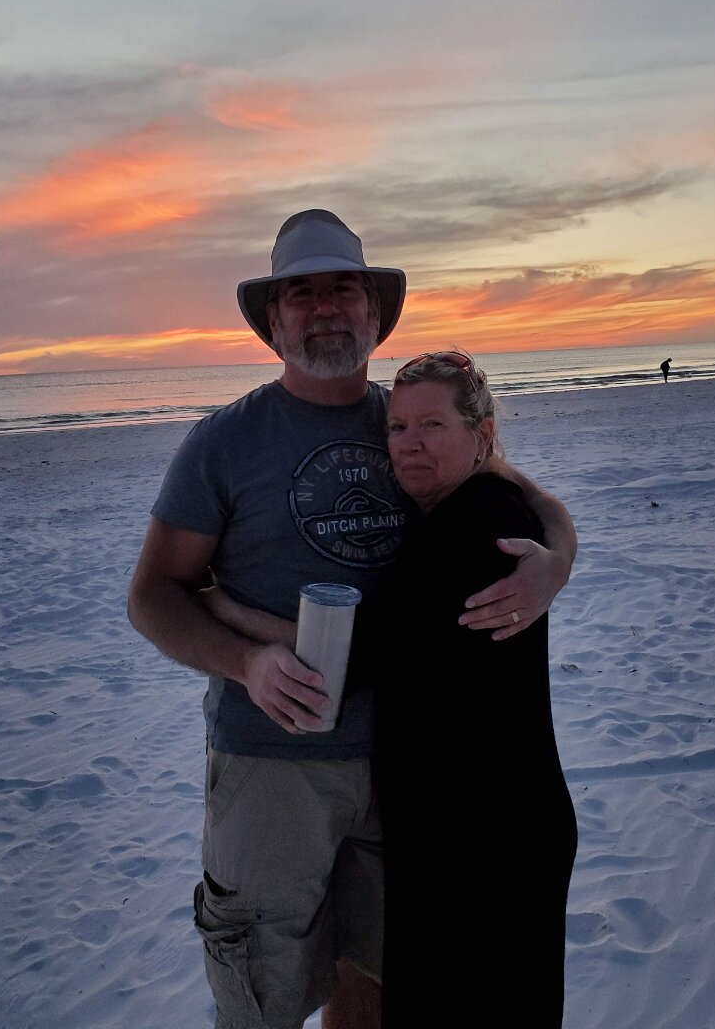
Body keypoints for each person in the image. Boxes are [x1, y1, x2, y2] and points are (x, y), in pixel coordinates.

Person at [126, 209, 578, 1029]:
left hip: (409, 767)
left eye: (345, 289)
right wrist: (245, 661)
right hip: (272, 763)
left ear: (376, 313)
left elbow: (510, 480)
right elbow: (154, 594)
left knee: (375, 981)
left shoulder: (403, 414)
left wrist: (559, 555)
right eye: (302, 293)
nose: (326, 308)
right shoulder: (223, 442)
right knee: (259, 997)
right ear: (273, 321)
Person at [206, 349, 578, 1026]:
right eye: (398, 427)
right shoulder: (479, 507)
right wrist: (562, 547)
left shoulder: (473, 530)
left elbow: (352, 656)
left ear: (481, 434)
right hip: (489, 821)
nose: (409, 445)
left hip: (485, 841)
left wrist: (223, 607)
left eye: (432, 426)